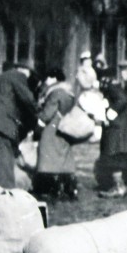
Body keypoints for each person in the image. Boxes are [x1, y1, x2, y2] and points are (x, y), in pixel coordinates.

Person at [0, 61, 38, 188]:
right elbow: (28, 100)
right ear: (25, 70)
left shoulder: (3, 77)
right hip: (3, 125)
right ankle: (5, 198)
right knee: (3, 167)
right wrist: (38, 113)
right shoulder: (18, 76)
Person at [97, 59, 127, 198]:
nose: (122, 73)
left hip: (116, 128)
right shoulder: (120, 85)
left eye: (125, 70)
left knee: (113, 157)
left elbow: (122, 100)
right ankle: (121, 185)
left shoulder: (112, 86)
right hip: (122, 127)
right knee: (117, 157)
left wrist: (111, 113)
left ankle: (118, 187)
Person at [32, 68, 78, 200]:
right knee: (64, 159)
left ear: (54, 78)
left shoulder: (55, 92)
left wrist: (38, 123)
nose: (46, 81)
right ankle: (69, 189)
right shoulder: (69, 92)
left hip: (51, 129)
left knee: (48, 158)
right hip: (64, 127)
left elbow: (47, 113)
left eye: (48, 77)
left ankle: (48, 189)